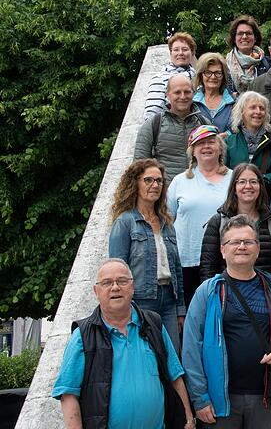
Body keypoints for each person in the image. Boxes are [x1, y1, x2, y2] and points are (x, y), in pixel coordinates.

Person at [183, 215, 271, 428]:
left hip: (265, 398)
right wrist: (200, 398)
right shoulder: (208, 292)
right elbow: (191, 347)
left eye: (248, 242)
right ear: (222, 250)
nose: (242, 246)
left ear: (258, 248)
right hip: (221, 402)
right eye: (234, 242)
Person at [53, 259, 195, 429]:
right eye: (107, 283)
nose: (115, 287)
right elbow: (68, 394)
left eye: (122, 281)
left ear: (132, 287)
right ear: (96, 291)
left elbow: (175, 376)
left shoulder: (154, 325)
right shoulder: (83, 335)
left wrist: (188, 419)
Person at [108, 159, 185, 353]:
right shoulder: (125, 223)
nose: (155, 185)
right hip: (139, 301)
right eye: (148, 180)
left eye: (159, 181)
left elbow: (176, 268)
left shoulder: (167, 222)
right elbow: (117, 270)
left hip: (169, 299)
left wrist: (180, 309)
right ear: (136, 183)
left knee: (172, 357)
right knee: (146, 355)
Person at [167, 125, 233, 307]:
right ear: (192, 152)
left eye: (211, 142)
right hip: (187, 259)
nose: (206, 147)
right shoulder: (180, 181)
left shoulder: (234, 179)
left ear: (220, 148)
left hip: (223, 259)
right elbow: (167, 220)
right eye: (200, 143)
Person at [200, 163, 271, 282]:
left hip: (264, 294)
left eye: (253, 182)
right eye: (242, 182)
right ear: (234, 187)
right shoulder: (219, 222)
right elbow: (207, 268)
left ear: (260, 186)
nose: (248, 186)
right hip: (227, 294)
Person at [135, 74, 210, 181]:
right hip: (165, 192)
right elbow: (139, 166)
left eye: (187, 92)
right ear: (168, 95)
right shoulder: (154, 124)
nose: (183, 96)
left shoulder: (204, 124)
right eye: (177, 92)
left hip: (198, 191)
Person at [223, 91, 271, 193]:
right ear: (242, 111)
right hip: (235, 199)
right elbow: (223, 172)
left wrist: (258, 180)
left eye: (262, 108)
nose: (258, 111)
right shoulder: (229, 142)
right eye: (253, 107)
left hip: (265, 199)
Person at [144, 32, 197, 120]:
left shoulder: (199, 78)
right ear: (171, 53)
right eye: (176, 50)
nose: (180, 53)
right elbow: (152, 114)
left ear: (192, 53)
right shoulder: (159, 78)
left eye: (185, 49)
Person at [225, 15, 271, 95]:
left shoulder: (269, 64)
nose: (244, 37)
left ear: (255, 38)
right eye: (240, 33)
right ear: (234, 38)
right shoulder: (224, 66)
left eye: (248, 33)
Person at [192, 52, 236, 132]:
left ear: (223, 76)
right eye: (208, 73)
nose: (213, 77)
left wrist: (228, 135)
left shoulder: (234, 101)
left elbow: (240, 129)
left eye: (218, 73)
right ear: (201, 75)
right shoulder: (192, 101)